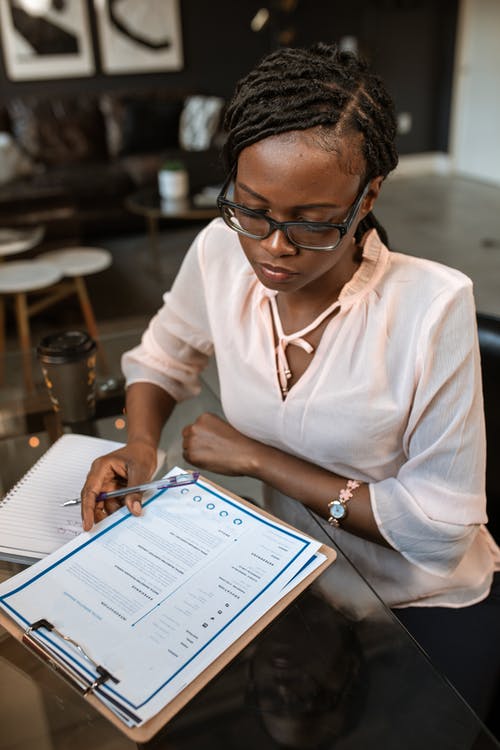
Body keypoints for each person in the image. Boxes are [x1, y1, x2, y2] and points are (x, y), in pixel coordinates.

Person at [81, 43, 500, 719]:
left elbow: (439, 534)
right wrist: (138, 444)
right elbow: (164, 354)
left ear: (368, 198)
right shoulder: (221, 252)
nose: (273, 247)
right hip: (296, 583)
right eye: (252, 209)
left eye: (312, 221)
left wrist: (257, 460)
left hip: (421, 603)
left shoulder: (431, 308)